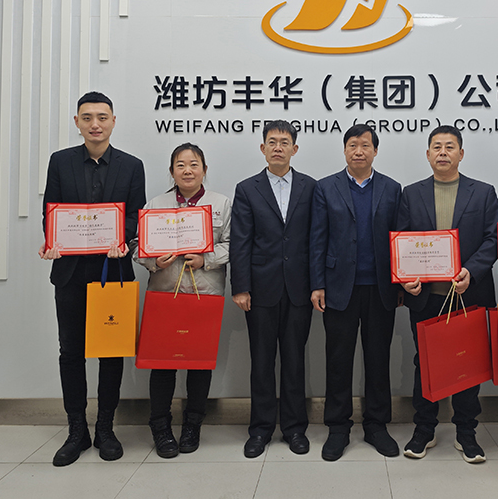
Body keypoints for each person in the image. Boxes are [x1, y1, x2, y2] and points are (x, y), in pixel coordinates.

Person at [39, 91, 146, 466]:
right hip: (69, 272)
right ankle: (76, 430)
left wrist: (122, 240)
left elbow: (135, 216)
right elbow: (51, 212)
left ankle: (105, 428)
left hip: (112, 272)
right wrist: (51, 242)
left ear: (113, 121)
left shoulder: (131, 166)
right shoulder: (60, 161)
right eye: (87, 118)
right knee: (70, 352)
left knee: (111, 351)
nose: (95, 124)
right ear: (77, 122)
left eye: (102, 117)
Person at [397, 125, 498, 464]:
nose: (443, 152)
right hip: (426, 296)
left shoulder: (483, 192)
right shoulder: (411, 193)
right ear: (428, 154)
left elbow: (492, 239)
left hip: (467, 293)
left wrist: (472, 269)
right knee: (425, 363)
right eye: (437, 147)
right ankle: (424, 429)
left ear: (461, 153)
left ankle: (466, 432)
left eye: (450, 146)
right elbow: (402, 241)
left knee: (466, 364)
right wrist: (405, 278)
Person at [309, 124, 402, 461]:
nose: (358, 151)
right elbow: (317, 239)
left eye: (365, 145)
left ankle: (377, 425)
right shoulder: (326, 187)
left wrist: (400, 283)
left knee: (378, 359)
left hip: (380, 288)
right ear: (344, 150)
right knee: (338, 360)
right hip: (338, 287)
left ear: (375, 151)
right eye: (352, 145)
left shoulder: (392, 188)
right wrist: (317, 284)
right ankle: (338, 427)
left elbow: (400, 238)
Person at [132, 143, 231, 458]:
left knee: (199, 364)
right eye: (180, 165)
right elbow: (137, 246)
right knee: (162, 364)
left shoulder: (221, 203)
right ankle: (160, 426)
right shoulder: (156, 204)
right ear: (172, 171)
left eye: (194, 164)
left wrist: (206, 259)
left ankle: (192, 425)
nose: (188, 170)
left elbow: (234, 244)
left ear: (204, 169)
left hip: (205, 293)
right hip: (165, 292)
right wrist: (153, 261)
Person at [230, 121, 316, 458]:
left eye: (284, 142)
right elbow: (240, 241)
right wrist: (241, 287)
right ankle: (261, 429)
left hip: (299, 289)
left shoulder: (310, 187)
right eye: (272, 142)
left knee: (294, 361)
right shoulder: (247, 188)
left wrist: (317, 285)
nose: (278, 147)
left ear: (295, 149)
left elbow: (316, 240)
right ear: (263, 148)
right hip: (260, 289)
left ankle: (295, 429)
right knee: (262, 362)